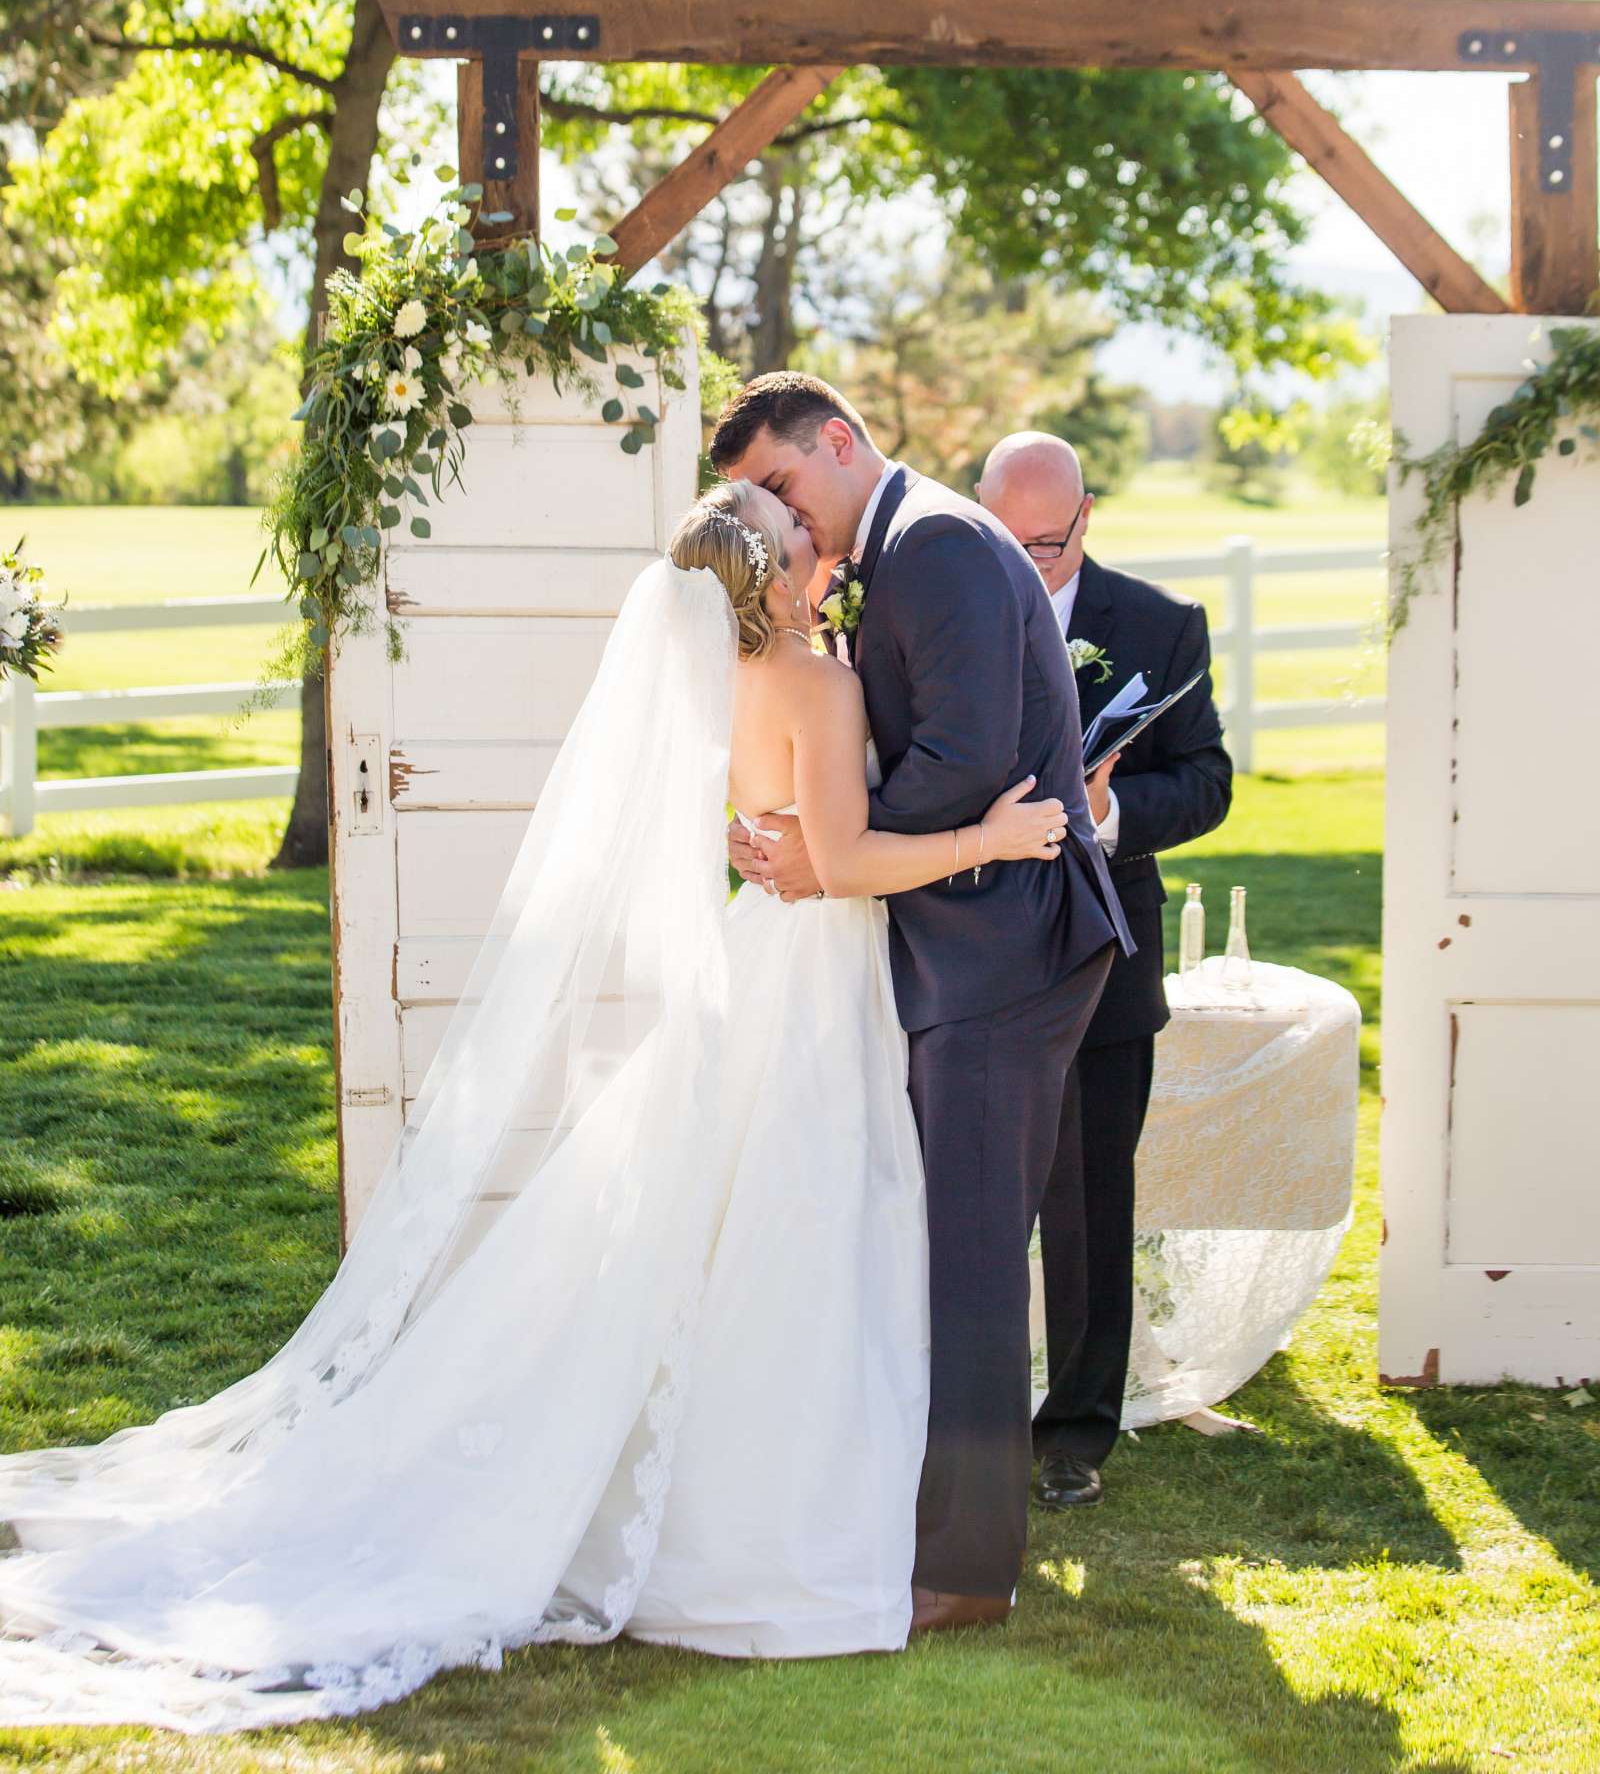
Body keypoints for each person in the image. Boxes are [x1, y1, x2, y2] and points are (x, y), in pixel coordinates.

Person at [0, 485, 1068, 1730]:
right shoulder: (821, 689)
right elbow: (841, 862)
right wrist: (987, 835)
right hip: (813, 984)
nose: (820, 558)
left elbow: (765, 834)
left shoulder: (725, 686)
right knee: (809, 1234)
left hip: (766, 960)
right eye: (795, 552)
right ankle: (781, 1527)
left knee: (752, 1236)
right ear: (759, 585)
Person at [718, 375, 1131, 1632]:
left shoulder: (940, 543)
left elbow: (962, 757)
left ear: (838, 443)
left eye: (784, 486)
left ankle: (960, 1572)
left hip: (1006, 952)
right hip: (959, 942)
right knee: (942, 1245)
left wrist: (824, 848)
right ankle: (928, 1525)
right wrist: (825, 837)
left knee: (966, 1260)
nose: (787, 521)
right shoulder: (894, 549)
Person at [975, 431, 1234, 1512]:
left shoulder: (1161, 626)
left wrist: (1112, 813)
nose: (1028, 559)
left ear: (1088, 515)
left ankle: (1076, 1431)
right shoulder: (942, 602)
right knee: (970, 1196)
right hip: (967, 946)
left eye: (1049, 538)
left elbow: (1207, 782)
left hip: (1104, 949)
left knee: (1088, 1203)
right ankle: (961, 1423)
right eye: (1007, 536)